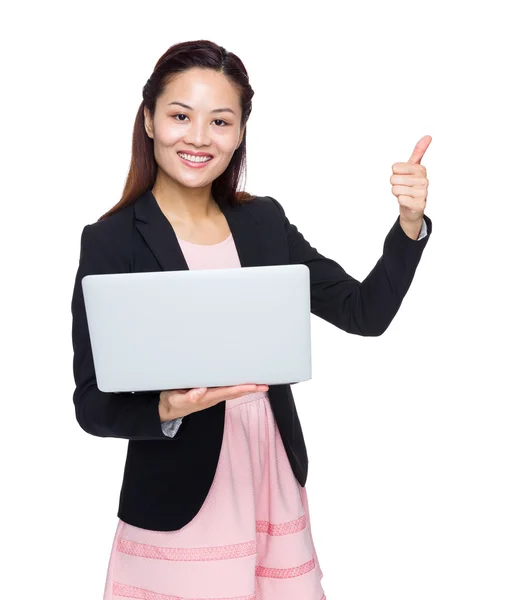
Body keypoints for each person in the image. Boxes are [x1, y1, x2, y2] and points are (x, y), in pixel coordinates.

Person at [71, 39, 432, 600]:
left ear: (240, 132)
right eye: (179, 115)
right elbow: (92, 404)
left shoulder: (264, 222)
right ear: (148, 120)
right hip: (179, 495)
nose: (197, 137)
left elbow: (365, 313)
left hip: (270, 476)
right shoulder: (112, 241)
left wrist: (410, 224)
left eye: (220, 120)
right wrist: (167, 407)